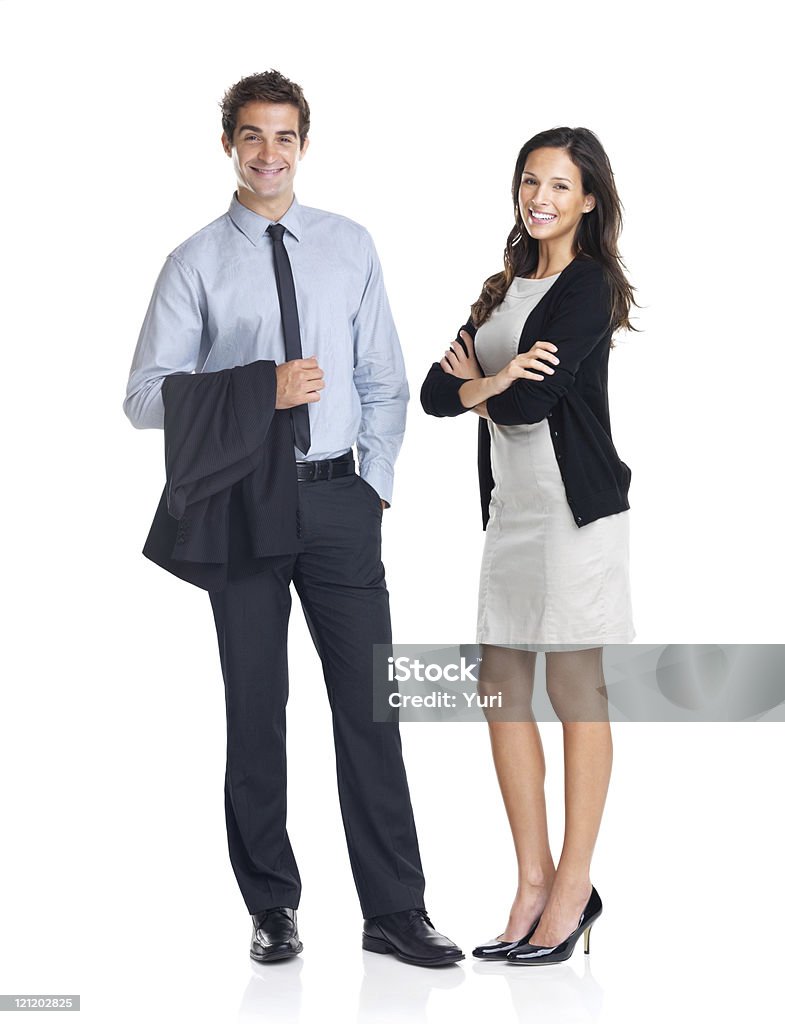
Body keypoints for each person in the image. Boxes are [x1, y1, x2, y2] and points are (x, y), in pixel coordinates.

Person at [123, 69, 462, 967]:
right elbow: (144, 397)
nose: (267, 154)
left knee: (370, 707)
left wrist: (374, 484)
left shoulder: (349, 245)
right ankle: (272, 907)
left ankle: (395, 910)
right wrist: (259, 391)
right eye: (251, 137)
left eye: (283, 137)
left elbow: (384, 376)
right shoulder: (194, 261)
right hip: (242, 505)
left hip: (340, 497)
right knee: (256, 709)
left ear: (303, 144)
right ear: (227, 144)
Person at [420, 127, 638, 965]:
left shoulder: (590, 287)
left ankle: (575, 888)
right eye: (528, 182)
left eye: (557, 185)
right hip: (510, 516)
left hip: (574, 516)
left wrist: (492, 387)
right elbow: (439, 391)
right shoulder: (505, 286)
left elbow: (525, 409)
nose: (538, 197)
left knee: (575, 688)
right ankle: (531, 881)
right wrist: (491, 382)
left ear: (587, 199)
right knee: (499, 687)